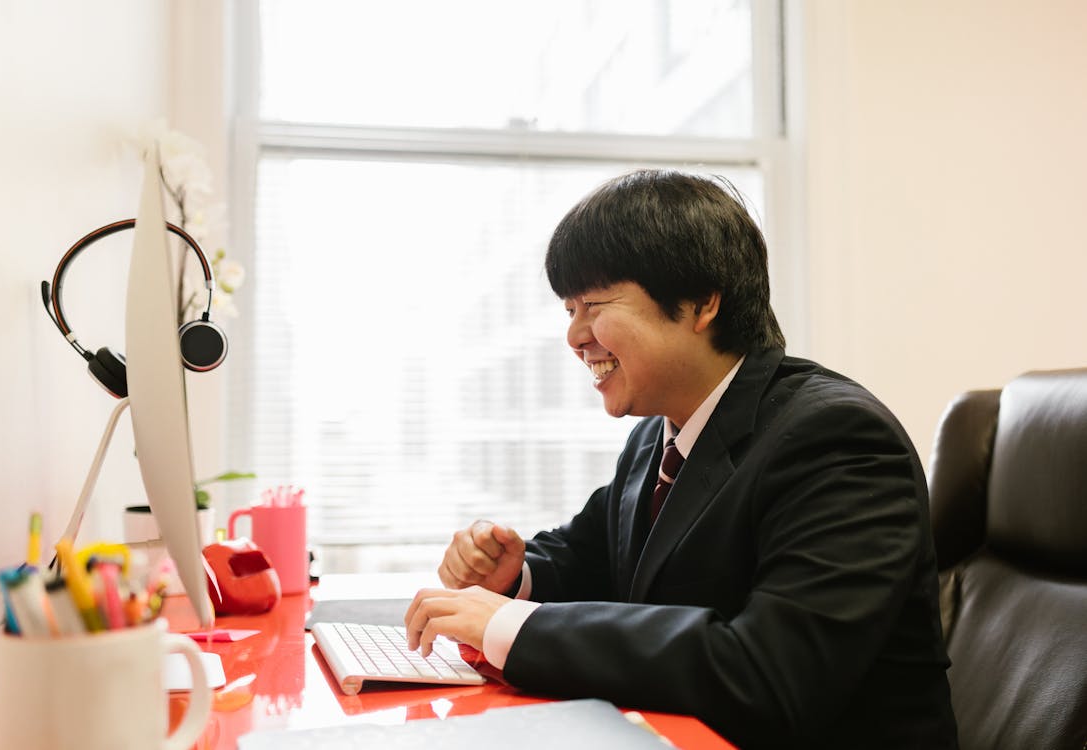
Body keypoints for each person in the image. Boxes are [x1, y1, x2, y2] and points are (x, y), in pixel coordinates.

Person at [404, 169, 958, 748]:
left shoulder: (837, 438)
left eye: (593, 304)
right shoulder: (659, 435)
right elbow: (594, 558)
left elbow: (768, 672)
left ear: (700, 303)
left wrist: (514, 627)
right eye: (568, 310)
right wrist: (516, 578)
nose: (574, 336)